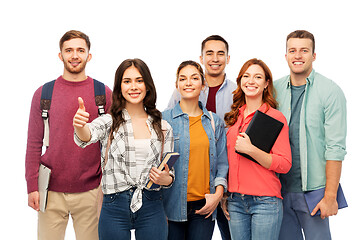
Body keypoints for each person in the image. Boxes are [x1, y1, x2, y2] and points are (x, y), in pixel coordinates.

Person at [73, 58, 174, 240]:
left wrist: (166, 179)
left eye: (139, 80)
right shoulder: (109, 122)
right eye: (127, 81)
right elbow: (87, 135)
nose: (133, 86)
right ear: (120, 87)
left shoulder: (163, 126)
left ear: (148, 85)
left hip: (151, 204)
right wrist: (80, 126)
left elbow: (169, 173)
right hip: (114, 205)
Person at [25, 30, 112, 240]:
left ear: (89, 56)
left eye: (80, 50)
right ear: (60, 55)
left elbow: (113, 142)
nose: (75, 55)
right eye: (69, 50)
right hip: (50, 191)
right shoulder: (44, 94)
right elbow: (33, 143)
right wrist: (31, 186)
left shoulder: (103, 93)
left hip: (92, 190)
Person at [275, 30, 347, 240]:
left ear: (314, 55)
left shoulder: (330, 91)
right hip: (279, 191)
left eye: (304, 50)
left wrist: (330, 196)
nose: (298, 56)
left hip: (315, 193)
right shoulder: (274, 89)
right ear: (286, 55)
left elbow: (335, 147)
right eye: (292, 51)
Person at [167, 34, 235, 240]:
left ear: (202, 84)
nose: (215, 58)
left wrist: (219, 193)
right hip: (174, 199)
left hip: (216, 192)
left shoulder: (234, 95)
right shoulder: (166, 116)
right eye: (209, 53)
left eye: (220, 53)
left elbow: (222, 158)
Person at [223, 58, 292, 240]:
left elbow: (284, 164)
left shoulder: (275, 117)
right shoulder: (233, 118)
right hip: (235, 201)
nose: (251, 81)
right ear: (240, 81)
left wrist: (251, 149)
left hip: (265, 201)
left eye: (258, 77)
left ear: (266, 83)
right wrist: (225, 194)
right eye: (246, 76)